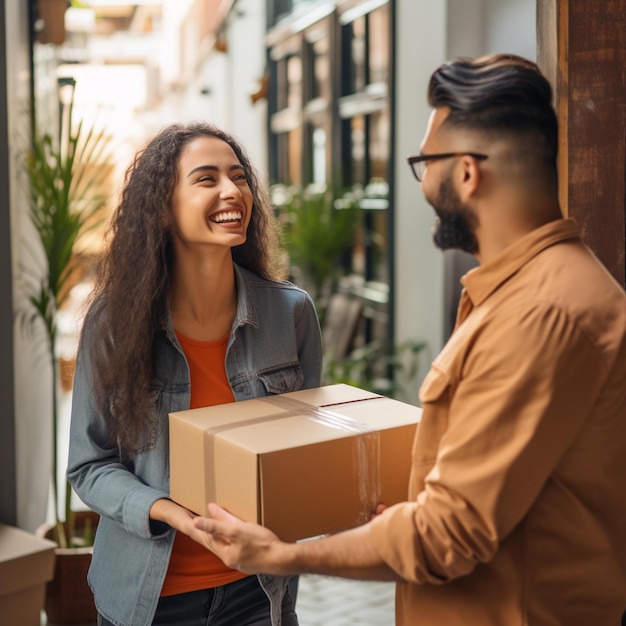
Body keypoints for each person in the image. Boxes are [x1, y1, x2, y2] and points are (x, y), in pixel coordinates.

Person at [190, 54, 626, 625]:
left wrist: (282, 554)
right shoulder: (526, 293)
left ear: (468, 172)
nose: (424, 184)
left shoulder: (539, 313)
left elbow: (450, 534)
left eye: (427, 163)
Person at [67, 121, 323, 626]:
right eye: (207, 179)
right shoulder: (113, 324)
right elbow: (88, 466)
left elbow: (304, 452)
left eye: (239, 176)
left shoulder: (290, 313)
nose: (233, 191)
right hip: (149, 597)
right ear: (163, 208)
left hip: (258, 593)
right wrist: (174, 513)